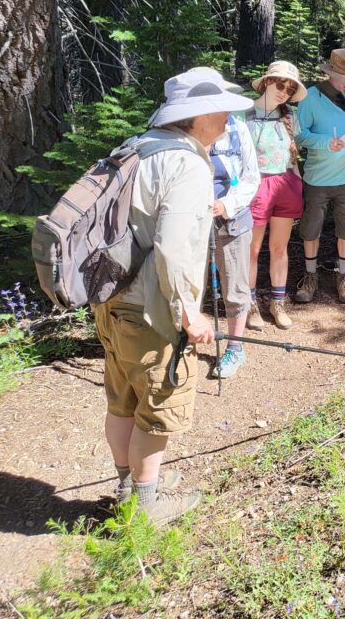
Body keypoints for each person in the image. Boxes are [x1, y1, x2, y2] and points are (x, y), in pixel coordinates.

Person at [97, 67, 251, 525]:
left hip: (110, 298)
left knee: (122, 399)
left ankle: (128, 488)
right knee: (156, 409)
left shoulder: (136, 148)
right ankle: (144, 510)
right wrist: (190, 313)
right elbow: (174, 246)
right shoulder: (185, 164)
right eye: (220, 110)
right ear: (198, 115)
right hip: (149, 310)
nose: (227, 118)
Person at [294, 49, 345, 304]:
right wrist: (325, 142)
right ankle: (310, 275)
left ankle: (344, 275)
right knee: (311, 229)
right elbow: (299, 134)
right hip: (317, 178)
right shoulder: (311, 97)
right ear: (331, 75)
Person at [202, 70, 261, 380]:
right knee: (189, 285)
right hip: (191, 222)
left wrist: (226, 204)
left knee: (235, 286)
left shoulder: (239, 129)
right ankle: (187, 338)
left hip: (233, 220)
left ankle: (235, 347)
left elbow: (252, 176)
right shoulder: (185, 132)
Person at [245, 61, 308, 330]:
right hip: (255, 184)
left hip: (286, 182)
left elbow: (295, 150)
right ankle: (249, 305)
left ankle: (277, 303)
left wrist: (298, 180)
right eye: (281, 85)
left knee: (279, 248)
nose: (285, 92)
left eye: (290, 88)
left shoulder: (290, 115)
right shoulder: (243, 113)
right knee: (252, 249)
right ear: (268, 82)